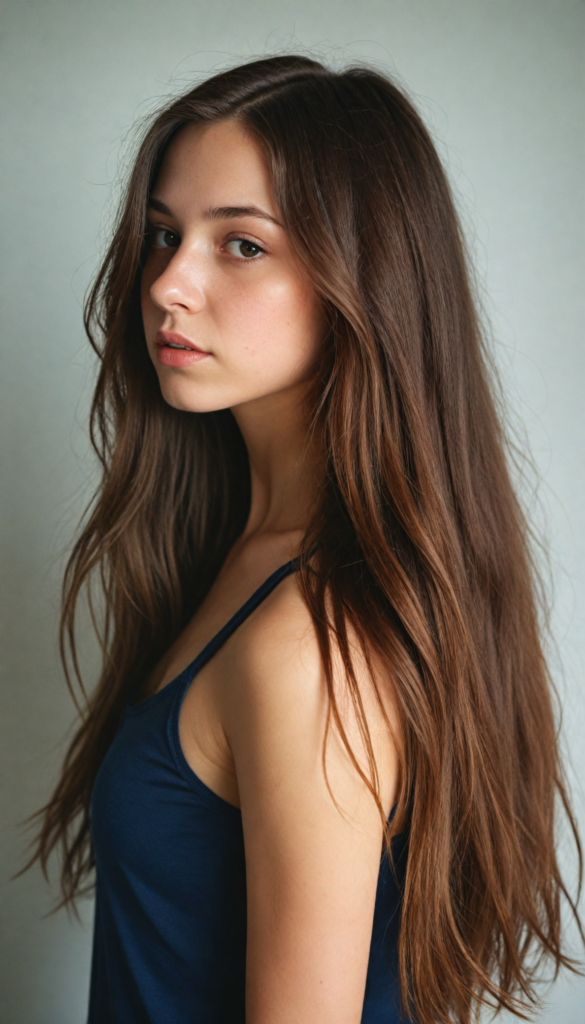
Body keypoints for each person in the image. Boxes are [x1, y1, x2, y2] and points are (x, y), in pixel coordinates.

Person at [26, 55, 582, 1024]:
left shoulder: (309, 644)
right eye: (165, 233)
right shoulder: (246, 560)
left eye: (241, 245)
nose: (168, 284)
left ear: (362, 276)